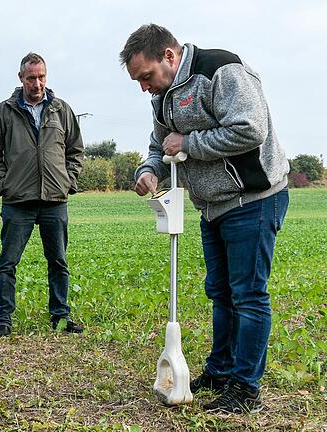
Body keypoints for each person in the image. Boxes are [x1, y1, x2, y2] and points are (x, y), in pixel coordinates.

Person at [120, 24, 289, 414]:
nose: (144, 87)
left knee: (247, 295)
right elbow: (159, 144)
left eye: (146, 77)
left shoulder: (221, 71)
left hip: (253, 199)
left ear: (169, 56)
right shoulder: (162, 96)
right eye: (138, 81)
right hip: (211, 207)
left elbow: (250, 129)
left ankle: (245, 389)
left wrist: (189, 144)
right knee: (221, 292)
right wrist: (148, 170)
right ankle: (221, 370)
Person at [0, 53, 85, 338]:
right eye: (31, 78)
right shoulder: (3, 112)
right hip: (18, 201)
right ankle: (3, 319)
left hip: (55, 200)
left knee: (58, 262)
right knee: (8, 263)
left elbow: (75, 151)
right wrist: (5, 186)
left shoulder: (61, 109)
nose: (37, 83)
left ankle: (60, 317)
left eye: (41, 77)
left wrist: (68, 182)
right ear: (20, 79)